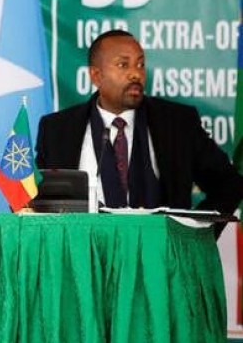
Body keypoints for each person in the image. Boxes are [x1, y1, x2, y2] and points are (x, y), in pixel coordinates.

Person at [36, 29, 243, 217]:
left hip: (159, 254)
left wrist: (194, 234)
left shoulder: (177, 123)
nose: (136, 73)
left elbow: (228, 183)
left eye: (141, 64)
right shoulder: (57, 129)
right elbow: (37, 198)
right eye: (122, 64)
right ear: (96, 75)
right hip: (83, 253)